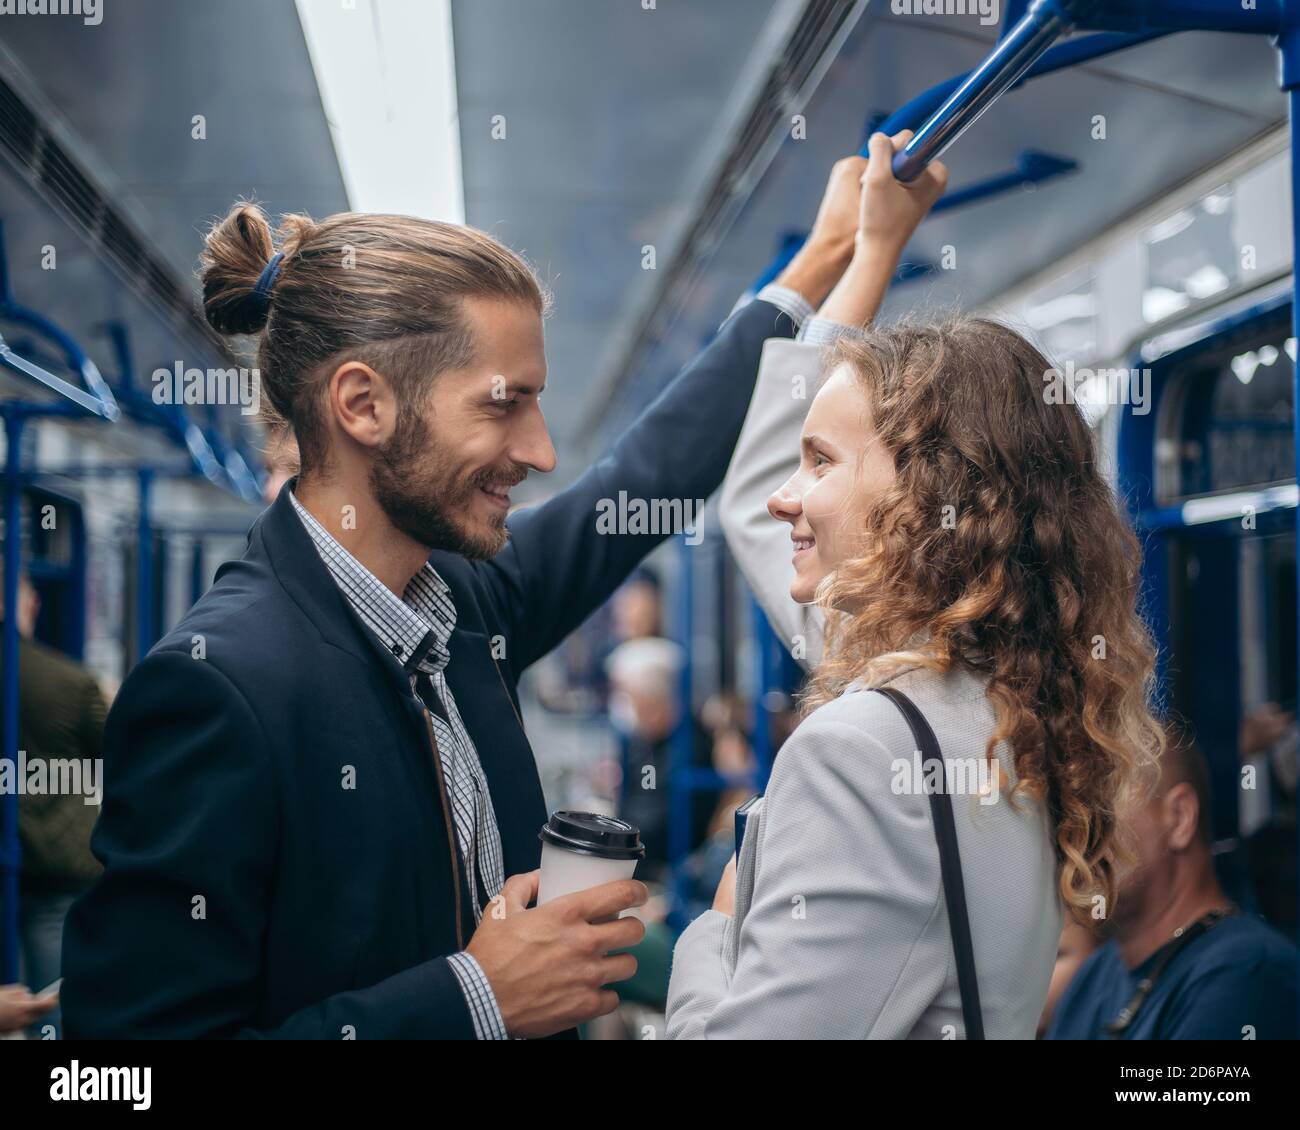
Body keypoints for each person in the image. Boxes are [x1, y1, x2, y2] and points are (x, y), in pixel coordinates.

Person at [61, 159, 870, 1039]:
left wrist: (830, 253)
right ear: (364, 405)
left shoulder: (469, 603)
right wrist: (473, 1001)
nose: (543, 450)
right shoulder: (220, 689)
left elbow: (650, 472)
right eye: (505, 406)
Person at [666, 131, 1165, 1039]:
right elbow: (755, 500)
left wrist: (717, 926)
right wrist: (872, 252)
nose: (785, 495)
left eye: (817, 462)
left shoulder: (860, 751)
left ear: (923, 500)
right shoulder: (1006, 700)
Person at [1047, 726, 1298, 1039]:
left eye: (1100, 802)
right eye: (1072, 811)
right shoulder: (1094, 976)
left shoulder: (1247, 972)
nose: (1076, 833)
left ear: (1179, 817)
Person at [0, 572, 107, 1039]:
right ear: (25, 605)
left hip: (11, 861)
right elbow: (122, 756)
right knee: (51, 1002)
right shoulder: (69, 681)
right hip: (57, 867)